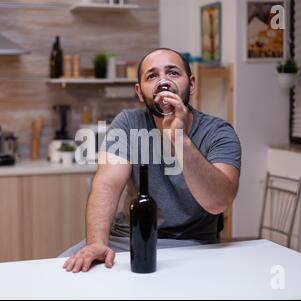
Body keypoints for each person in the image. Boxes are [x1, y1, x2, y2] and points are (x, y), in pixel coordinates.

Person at [61, 48, 241, 273]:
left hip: (191, 244)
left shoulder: (218, 132)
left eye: (173, 73)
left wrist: (179, 138)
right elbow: (107, 183)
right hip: (127, 238)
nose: (163, 81)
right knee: (64, 271)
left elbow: (218, 202)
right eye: (152, 76)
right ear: (139, 91)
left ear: (191, 84)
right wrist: (97, 242)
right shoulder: (128, 123)